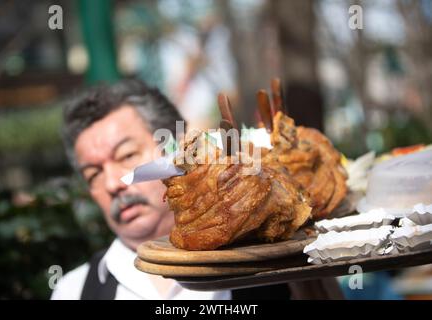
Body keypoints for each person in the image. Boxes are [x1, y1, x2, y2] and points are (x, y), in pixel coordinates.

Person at [51, 78, 341, 300]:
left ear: (177, 148)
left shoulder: (280, 263)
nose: (113, 183)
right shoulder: (72, 291)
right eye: (93, 174)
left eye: (127, 156)